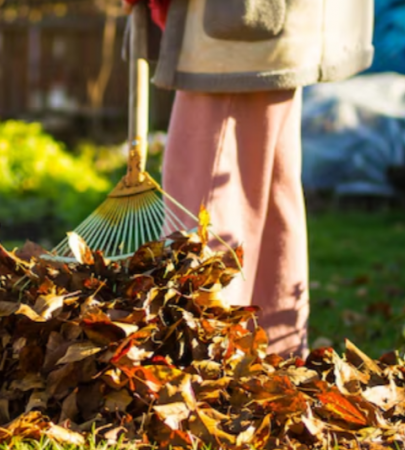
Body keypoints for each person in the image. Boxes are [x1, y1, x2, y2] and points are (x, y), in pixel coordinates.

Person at [123, 0, 375, 358]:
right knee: (268, 188)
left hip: (237, 31)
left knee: (202, 199)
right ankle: (273, 352)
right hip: (272, 29)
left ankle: (206, 355)